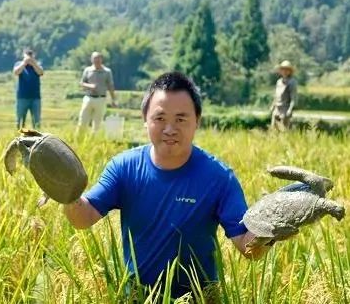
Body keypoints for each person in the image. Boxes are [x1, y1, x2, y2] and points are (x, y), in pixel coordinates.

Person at [63, 71, 271, 300]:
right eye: (160, 118)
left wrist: (272, 226)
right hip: (138, 297)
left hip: (199, 298)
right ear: (146, 120)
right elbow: (83, 218)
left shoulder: (218, 177)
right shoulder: (124, 167)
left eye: (181, 119)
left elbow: (248, 247)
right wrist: (67, 193)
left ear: (197, 121)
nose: (170, 129)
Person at [77, 51, 117, 133]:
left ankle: (94, 141)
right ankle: (79, 139)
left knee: (97, 123)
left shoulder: (107, 72)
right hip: (88, 98)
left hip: (100, 99)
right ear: (91, 60)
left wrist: (113, 99)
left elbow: (110, 86)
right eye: (95, 59)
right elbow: (81, 83)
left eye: (98, 59)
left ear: (101, 60)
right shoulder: (87, 70)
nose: (97, 61)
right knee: (83, 120)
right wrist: (90, 86)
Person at [13, 48, 44, 129]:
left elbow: (40, 72)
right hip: (22, 97)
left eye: (31, 55)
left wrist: (33, 63)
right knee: (19, 121)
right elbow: (16, 72)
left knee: (36, 122)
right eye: (28, 55)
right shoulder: (19, 64)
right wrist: (24, 63)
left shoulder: (37, 64)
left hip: (35, 98)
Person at [270, 60, 298, 131]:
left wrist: (290, 110)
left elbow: (293, 98)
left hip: (285, 109)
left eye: (287, 69)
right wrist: (272, 106)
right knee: (273, 129)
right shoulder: (278, 82)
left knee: (283, 130)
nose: (285, 71)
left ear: (290, 71)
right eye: (283, 69)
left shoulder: (292, 82)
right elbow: (276, 96)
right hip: (276, 109)